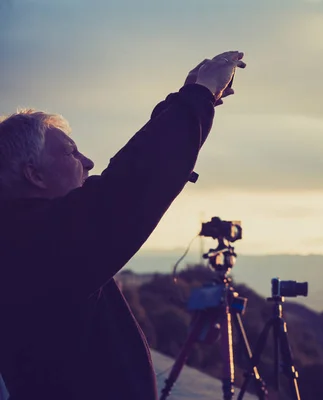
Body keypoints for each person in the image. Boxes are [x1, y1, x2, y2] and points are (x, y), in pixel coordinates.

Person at [0, 50, 246, 400]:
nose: (88, 162)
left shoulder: (23, 233)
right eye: (71, 153)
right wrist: (199, 96)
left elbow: (126, 181)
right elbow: (129, 185)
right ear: (34, 175)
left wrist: (185, 100)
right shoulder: (33, 243)